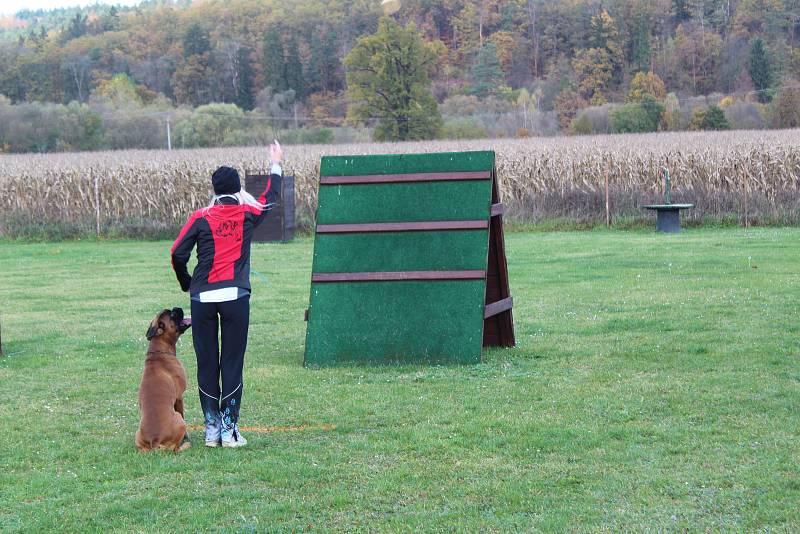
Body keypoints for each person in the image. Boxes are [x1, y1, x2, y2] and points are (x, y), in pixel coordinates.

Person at [170, 141, 283, 448]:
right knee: (231, 362)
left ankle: (211, 430)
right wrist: (275, 164)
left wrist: (187, 283)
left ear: (215, 190)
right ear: (237, 188)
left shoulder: (200, 216)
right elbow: (270, 199)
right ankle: (230, 431)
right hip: (235, 296)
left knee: (207, 363)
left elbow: (177, 253)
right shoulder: (248, 212)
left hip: (202, 297)